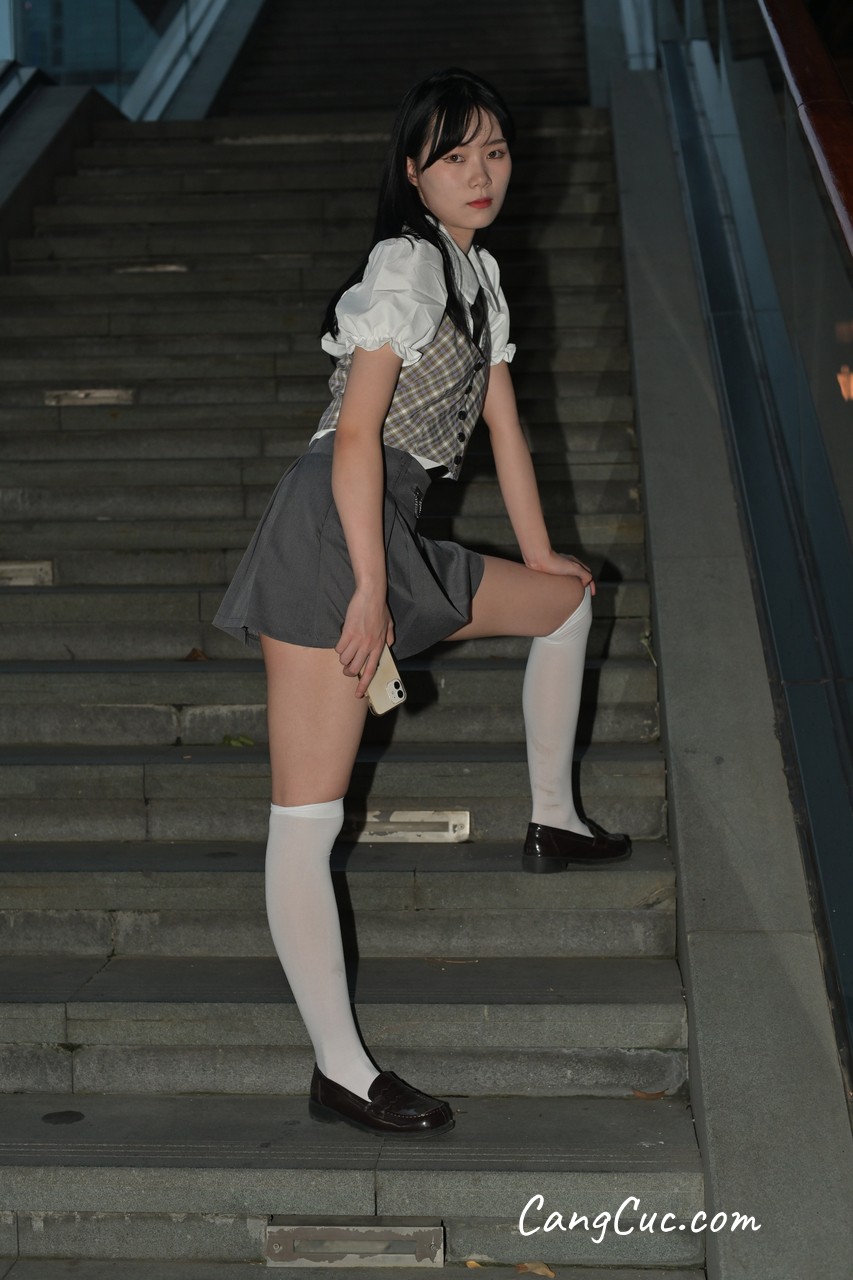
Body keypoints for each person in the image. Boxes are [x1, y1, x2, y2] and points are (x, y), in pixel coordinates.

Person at [213, 67, 631, 1139]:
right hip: (334, 530)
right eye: (455, 155)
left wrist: (543, 555)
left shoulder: (477, 275)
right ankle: (340, 1070)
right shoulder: (404, 263)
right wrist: (367, 587)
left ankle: (552, 817)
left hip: (391, 528)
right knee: (308, 818)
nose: (481, 172)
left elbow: (505, 429)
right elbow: (356, 435)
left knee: (564, 605)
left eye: (494, 150)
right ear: (413, 171)